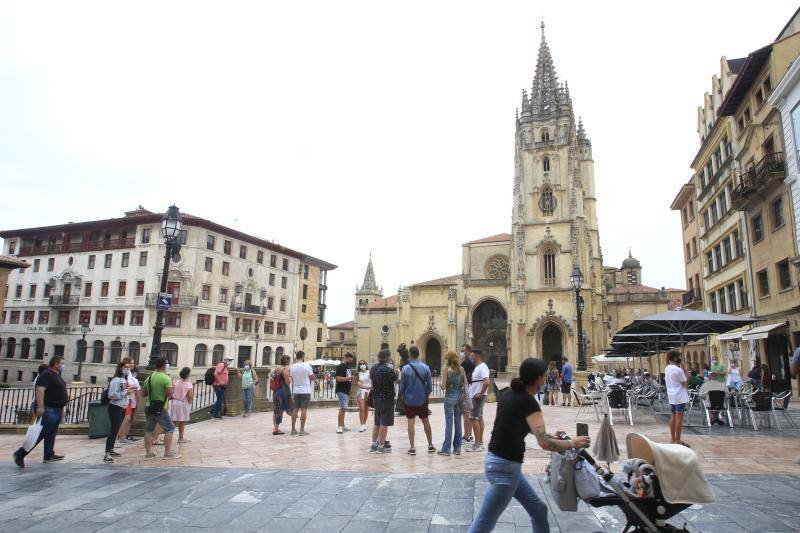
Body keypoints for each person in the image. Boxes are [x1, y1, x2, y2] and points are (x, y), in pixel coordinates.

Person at [469, 358, 590, 533]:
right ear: (539, 379)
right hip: (505, 469)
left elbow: (519, 423)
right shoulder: (528, 402)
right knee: (483, 524)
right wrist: (572, 443)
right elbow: (545, 444)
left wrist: (550, 435)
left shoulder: (509, 395)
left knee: (539, 510)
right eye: (544, 376)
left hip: (503, 465)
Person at [13, 356, 68, 468]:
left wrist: (61, 409)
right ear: (56, 364)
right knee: (40, 433)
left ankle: (48, 455)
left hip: (56, 409)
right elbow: (40, 390)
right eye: (62, 363)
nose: (63, 365)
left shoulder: (56, 375)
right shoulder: (46, 375)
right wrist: (40, 407)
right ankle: (20, 453)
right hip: (48, 409)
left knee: (51, 433)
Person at [143, 357, 181, 460]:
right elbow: (170, 394)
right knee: (170, 428)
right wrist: (172, 392)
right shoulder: (166, 378)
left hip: (149, 406)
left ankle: (148, 453)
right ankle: (167, 453)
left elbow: (144, 393)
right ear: (164, 365)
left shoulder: (149, 378)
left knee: (148, 430)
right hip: (160, 407)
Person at [400, 345, 434, 455]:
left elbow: (402, 387)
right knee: (425, 421)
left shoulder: (405, 368)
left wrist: (403, 395)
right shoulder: (425, 368)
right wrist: (425, 394)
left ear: (410, 355)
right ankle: (430, 445)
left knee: (411, 422)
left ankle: (412, 447)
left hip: (409, 400)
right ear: (418, 354)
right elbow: (429, 386)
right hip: (422, 399)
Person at [369, 349, 399, 453]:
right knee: (384, 423)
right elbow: (397, 381)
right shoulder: (388, 370)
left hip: (376, 398)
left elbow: (372, 384)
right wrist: (398, 373)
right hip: (387, 399)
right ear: (388, 358)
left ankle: (373, 445)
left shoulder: (373, 368)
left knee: (377, 423)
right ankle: (381, 446)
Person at [439, 350, 466, 456]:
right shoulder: (461, 369)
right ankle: (457, 448)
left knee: (449, 423)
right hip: (459, 397)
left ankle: (446, 449)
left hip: (450, 397)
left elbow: (443, 386)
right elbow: (465, 384)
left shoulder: (446, 369)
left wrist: (440, 384)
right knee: (458, 422)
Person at [104, 361, 131, 463]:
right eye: (126, 367)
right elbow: (112, 395)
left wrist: (127, 391)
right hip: (115, 407)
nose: (128, 369)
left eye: (129, 368)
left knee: (116, 429)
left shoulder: (124, 379)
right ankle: (107, 452)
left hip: (122, 406)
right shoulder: (115, 380)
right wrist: (126, 392)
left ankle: (111, 449)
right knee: (114, 430)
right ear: (120, 368)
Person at [467, 350, 491, 453]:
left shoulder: (482, 367)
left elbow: (487, 382)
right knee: (479, 417)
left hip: (477, 397)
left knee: (473, 418)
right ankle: (479, 442)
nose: (470, 358)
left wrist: (480, 394)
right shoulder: (478, 367)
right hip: (475, 396)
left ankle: (477, 444)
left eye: (472, 356)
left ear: (477, 356)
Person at [664, 350, 689, 447]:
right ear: (675, 358)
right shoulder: (678, 370)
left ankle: (673, 439)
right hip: (680, 396)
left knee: (673, 416)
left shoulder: (667, 368)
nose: (681, 359)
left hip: (671, 396)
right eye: (679, 357)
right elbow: (685, 384)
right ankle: (678, 441)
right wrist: (686, 373)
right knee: (679, 418)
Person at [117, 359, 141, 445]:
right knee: (125, 419)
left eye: (132, 364)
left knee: (128, 419)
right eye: (127, 366)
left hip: (130, 399)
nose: (132, 365)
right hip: (125, 399)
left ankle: (123, 436)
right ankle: (119, 437)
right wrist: (130, 389)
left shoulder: (130, 375)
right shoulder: (119, 379)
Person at [290, 351, 314, 436]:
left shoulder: (292, 367)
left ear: (296, 357)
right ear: (303, 356)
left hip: (296, 390)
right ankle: (302, 430)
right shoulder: (307, 366)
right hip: (305, 390)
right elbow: (312, 377)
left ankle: (293, 429)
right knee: (304, 409)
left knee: (295, 409)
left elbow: (292, 378)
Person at [169, 367, 193, 444]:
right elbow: (190, 396)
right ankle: (181, 438)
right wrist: (190, 402)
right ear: (188, 374)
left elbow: (172, 391)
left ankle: (169, 436)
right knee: (182, 421)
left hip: (174, 402)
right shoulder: (188, 384)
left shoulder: (175, 382)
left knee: (173, 420)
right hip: (182, 403)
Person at [273, 355, 293, 435]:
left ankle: (276, 427)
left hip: (276, 391)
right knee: (281, 410)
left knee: (276, 410)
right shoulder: (285, 370)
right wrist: (290, 378)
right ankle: (276, 429)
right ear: (287, 361)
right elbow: (287, 382)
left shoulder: (277, 369)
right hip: (283, 392)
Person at [335, 352, 354, 433]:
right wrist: (350, 377)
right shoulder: (340, 367)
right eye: (349, 359)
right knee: (342, 408)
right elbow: (338, 378)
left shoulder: (347, 367)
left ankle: (342, 425)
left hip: (346, 390)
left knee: (344, 408)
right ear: (345, 357)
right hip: (341, 390)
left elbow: (348, 379)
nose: (350, 360)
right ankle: (339, 426)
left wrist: (350, 388)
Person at [460, 344, 475, 444]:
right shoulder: (472, 361)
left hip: (467, 388)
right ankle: (469, 435)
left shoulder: (466, 362)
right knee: (469, 413)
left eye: (463, 350)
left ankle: (467, 435)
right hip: (471, 388)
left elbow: (461, 375)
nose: (462, 352)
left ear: (468, 350)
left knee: (466, 414)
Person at [355, 359, 371, 432]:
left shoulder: (369, 372)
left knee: (366, 409)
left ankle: (364, 423)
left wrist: (370, 388)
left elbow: (372, 381)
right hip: (361, 392)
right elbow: (357, 383)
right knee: (362, 408)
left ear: (366, 364)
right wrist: (364, 387)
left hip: (368, 392)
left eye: (363, 363)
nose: (362, 365)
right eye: (360, 364)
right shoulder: (358, 373)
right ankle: (361, 424)